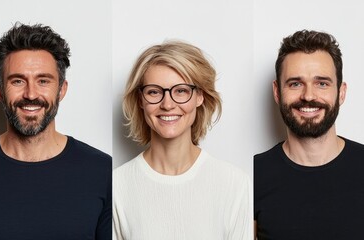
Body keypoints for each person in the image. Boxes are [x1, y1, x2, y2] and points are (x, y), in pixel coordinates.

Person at [0, 23, 111, 240]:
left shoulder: (103, 172)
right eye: (18, 81)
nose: (31, 94)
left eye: (43, 81)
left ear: (62, 90)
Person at [113, 41, 252, 239]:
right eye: (154, 92)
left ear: (199, 97)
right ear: (141, 100)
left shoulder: (235, 184)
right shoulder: (117, 186)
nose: (167, 104)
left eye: (181, 91)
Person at [254, 30, 364, 239]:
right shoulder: (252, 176)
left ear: (341, 92)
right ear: (277, 92)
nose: (308, 96)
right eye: (295, 84)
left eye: (322, 83)